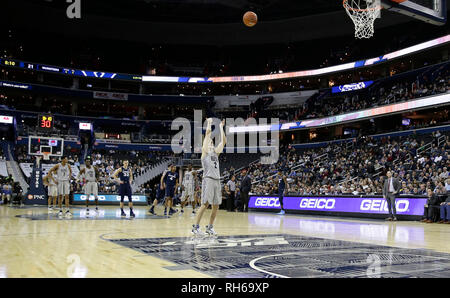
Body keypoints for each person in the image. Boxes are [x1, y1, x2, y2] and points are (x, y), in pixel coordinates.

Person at [192, 118, 226, 237]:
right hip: (208, 179)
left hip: (217, 180)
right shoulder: (205, 153)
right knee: (205, 204)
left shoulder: (216, 153)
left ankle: (210, 227)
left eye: (212, 142)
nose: (212, 143)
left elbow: (224, 141)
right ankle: (195, 227)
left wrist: (221, 127)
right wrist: (210, 123)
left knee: (216, 206)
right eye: (210, 142)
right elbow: (207, 135)